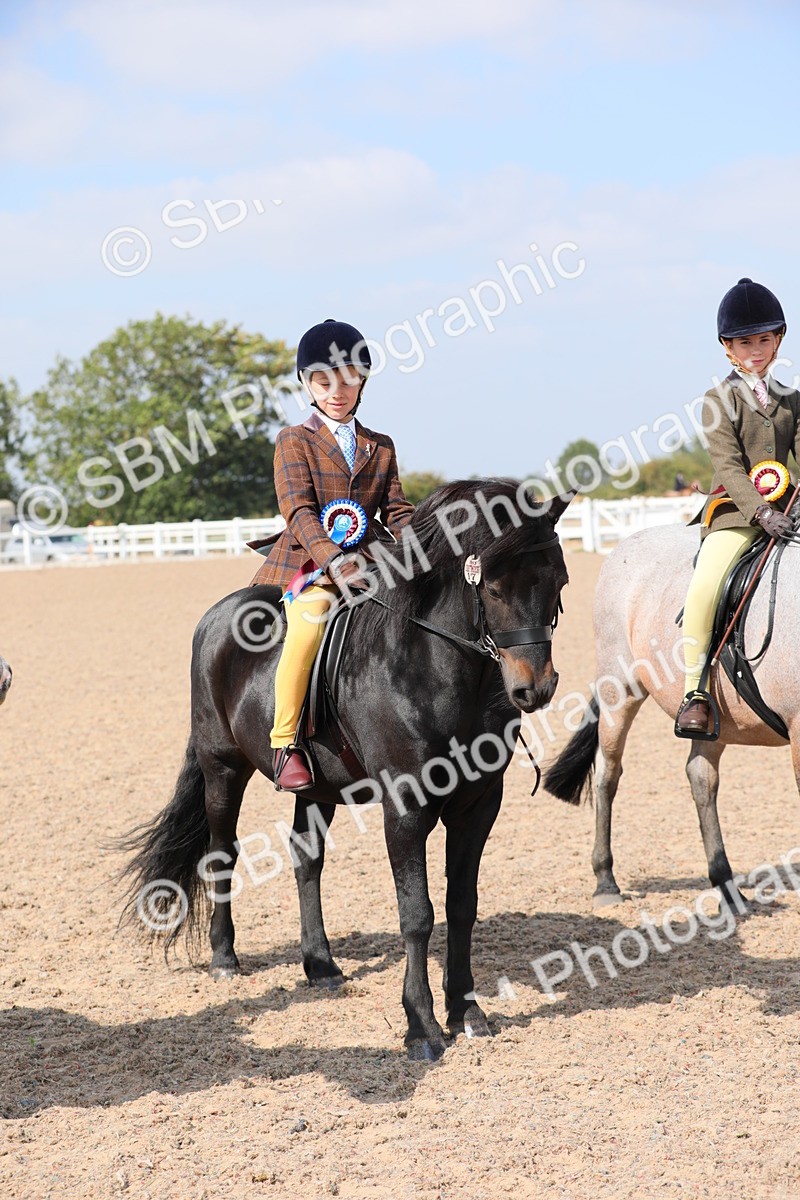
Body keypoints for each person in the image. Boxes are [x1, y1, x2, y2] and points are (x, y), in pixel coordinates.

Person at [249, 318, 414, 789]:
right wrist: (330, 560)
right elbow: (298, 511)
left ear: (362, 382)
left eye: (347, 380)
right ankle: (285, 743)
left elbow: (397, 509)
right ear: (308, 385)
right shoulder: (293, 441)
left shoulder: (380, 446)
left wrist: (426, 545)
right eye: (323, 382)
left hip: (373, 559)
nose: (336, 391)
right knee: (308, 626)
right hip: (311, 564)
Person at [676, 278, 800, 735]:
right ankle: (695, 691)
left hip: (789, 511)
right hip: (734, 513)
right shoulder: (717, 401)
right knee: (706, 585)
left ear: (778, 340)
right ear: (727, 347)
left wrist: (784, 510)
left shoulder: (792, 401)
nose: (756, 349)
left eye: (764, 339)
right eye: (745, 341)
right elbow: (728, 466)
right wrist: (761, 513)